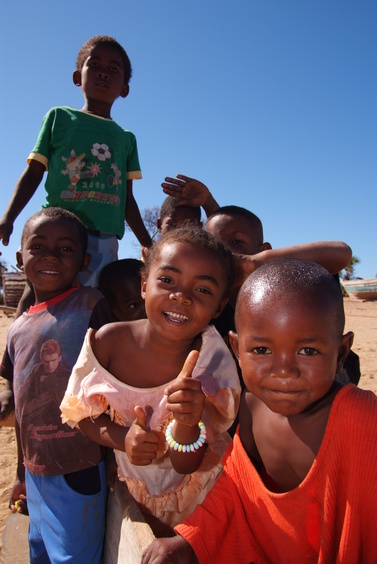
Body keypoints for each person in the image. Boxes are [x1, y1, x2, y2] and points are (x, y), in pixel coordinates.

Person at [141, 259, 377, 564]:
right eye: (262, 350)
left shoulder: (362, 419)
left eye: (308, 351)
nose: (283, 371)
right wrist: (190, 539)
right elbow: (236, 491)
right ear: (237, 350)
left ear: (341, 353)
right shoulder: (251, 410)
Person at [60, 227, 241, 534]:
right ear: (144, 284)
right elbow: (81, 416)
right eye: (168, 280)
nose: (181, 296)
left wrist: (187, 421)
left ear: (219, 307)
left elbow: (187, 466)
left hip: (199, 497)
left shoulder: (212, 364)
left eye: (203, 290)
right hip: (132, 492)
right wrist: (121, 439)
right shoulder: (108, 343)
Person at [1, 207, 113, 563]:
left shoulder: (91, 306)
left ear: (84, 260)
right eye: (38, 247)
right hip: (35, 472)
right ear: (21, 258)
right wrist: (20, 473)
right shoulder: (17, 329)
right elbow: (21, 409)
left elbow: (115, 382)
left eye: (65, 249)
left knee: (73, 558)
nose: (50, 255)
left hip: (78, 467)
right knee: (41, 552)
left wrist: (114, 460)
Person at [0, 35, 152, 287]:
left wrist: (148, 243)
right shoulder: (59, 117)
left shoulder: (126, 139)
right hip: (58, 230)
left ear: (124, 88)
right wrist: (9, 216)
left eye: (113, 69)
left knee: (93, 300)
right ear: (77, 77)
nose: (103, 73)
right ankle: (23, 327)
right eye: (94, 65)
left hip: (103, 238)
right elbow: (34, 172)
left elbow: (127, 199)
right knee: (40, 292)